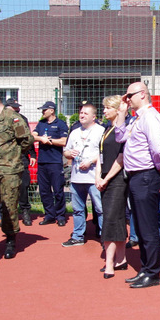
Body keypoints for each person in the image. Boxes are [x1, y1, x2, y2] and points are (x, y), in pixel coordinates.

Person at [114, 82, 160, 289]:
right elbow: (120, 136)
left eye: (130, 95)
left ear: (142, 94)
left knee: (148, 227)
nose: (127, 99)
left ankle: (153, 273)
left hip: (146, 175)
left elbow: (157, 148)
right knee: (142, 227)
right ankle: (146, 268)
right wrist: (121, 113)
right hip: (136, 176)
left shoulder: (150, 117)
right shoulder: (137, 118)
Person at [0, 89, 34, 259]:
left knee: (9, 207)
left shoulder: (13, 118)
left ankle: (10, 241)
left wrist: (12, 155)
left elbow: (26, 140)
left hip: (9, 171)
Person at [63, 103, 104, 247]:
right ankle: (77, 236)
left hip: (93, 177)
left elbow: (104, 153)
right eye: (81, 113)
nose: (82, 115)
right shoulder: (75, 132)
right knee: (78, 209)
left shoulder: (100, 131)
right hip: (77, 177)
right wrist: (69, 153)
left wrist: (91, 161)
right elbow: (66, 151)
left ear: (93, 117)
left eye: (86, 113)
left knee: (100, 209)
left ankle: (104, 236)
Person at [97, 95, 128, 278]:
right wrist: (98, 177)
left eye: (108, 107)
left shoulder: (121, 130)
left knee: (111, 219)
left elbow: (121, 158)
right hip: (105, 179)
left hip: (117, 180)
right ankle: (121, 259)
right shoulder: (106, 129)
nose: (104, 111)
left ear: (118, 110)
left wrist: (107, 178)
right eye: (104, 107)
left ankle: (109, 263)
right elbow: (100, 154)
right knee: (116, 219)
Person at [32, 101, 68, 226]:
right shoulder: (41, 123)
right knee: (44, 191)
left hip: (55, 162)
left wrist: (49, 141)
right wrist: (41, 138)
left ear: (52, 110)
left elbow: (63, 141)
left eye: (44, 110)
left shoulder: (61, 124)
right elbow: (32, 136)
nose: (43, 112)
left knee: (58, 190)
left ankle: (60, 215)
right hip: (42, 162)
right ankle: (49, 215)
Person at [7, 98, 36, 226]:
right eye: (15, 108)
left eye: (18, 108)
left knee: (23, 186)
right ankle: (7, 215)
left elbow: (27, 138)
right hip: (5, 159)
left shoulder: (21, 119)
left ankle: (25, 212)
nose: (17, 110)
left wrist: (32, 154)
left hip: (20, 157)